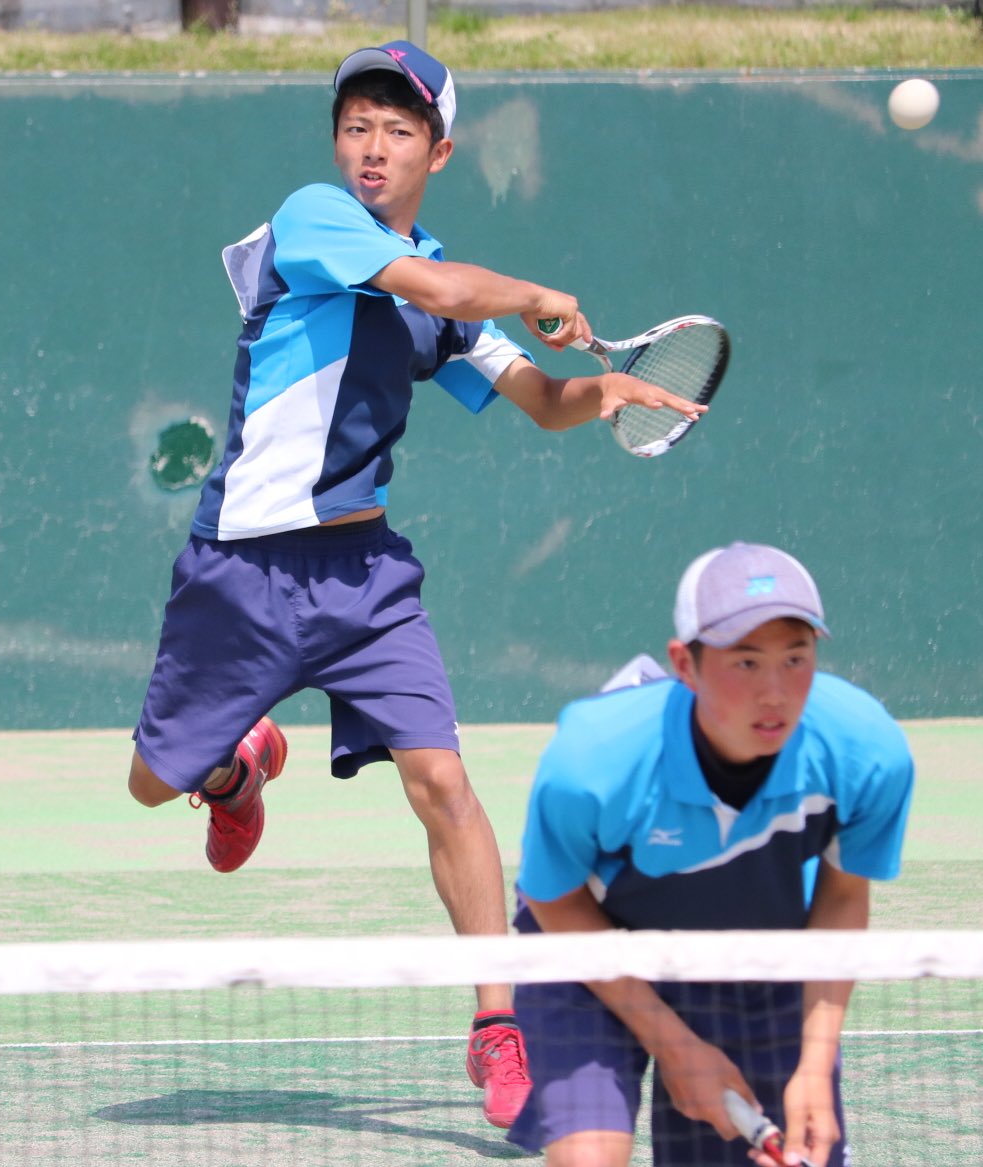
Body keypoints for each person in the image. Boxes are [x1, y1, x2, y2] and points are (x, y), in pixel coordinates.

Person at [126, 39, 704, 1130]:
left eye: (398, 130)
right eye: (357, 127)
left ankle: (499, 1022)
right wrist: (530, 288)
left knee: (442, 782)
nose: (373, 148)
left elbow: (537, 395)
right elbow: (440, 283)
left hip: (364, 574)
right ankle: (236, 768)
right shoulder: (314, 218)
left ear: (440, 147)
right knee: (153, 783)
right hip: (244, 568)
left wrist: (609, 391)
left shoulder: (447, 299)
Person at [507, 541, 915, 1164]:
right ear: (685, 664)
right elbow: (552, 899)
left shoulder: (864, 752)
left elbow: (841, 900)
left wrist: (815, 1060)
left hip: (749, 951)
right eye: (746, 663)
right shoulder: (595, 760)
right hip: (587, 948)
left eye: (796, 658)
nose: (775, 692)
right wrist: (674, 1044)